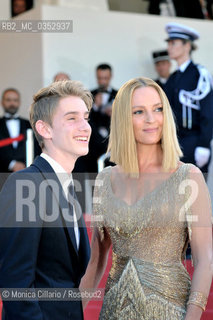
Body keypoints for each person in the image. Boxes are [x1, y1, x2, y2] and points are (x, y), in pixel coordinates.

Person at [80, 77, 213, 319]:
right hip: (114, 312)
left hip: (171, 312)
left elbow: (205, 261)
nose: (152, 119)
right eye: (139, 112)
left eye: (158, 109)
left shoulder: (189, 177)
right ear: (123, 119)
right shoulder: (104, 180)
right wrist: (71, 313)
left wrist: (192, 316)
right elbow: (96, 262)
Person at [0, 80, 92, 319]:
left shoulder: (68, 189)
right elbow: (16, 287)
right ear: (45, 129)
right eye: (72, 118)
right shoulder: (26, 185)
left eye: (86, 117)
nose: (85, 127)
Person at [164, 22, 213, 174]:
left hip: (194, 140)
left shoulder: (199, 74)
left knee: (194, 193)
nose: (169, 47)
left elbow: (208, 111)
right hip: (174, 143)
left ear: (187, 46)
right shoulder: (173, 78)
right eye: (169, 43)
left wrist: (204, 144)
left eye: (174, 43)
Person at [75, 64, 117, 173]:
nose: (102, 82)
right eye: (100, 78)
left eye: (105, 78)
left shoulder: (119, 95)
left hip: (112, 147)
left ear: (111, 76)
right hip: (92, 150)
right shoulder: (87, 95)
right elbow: (82, 119)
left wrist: (115, 114)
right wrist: (95, 107)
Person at [0, 88, 40, 173]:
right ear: (2, 102)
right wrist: (11, 164)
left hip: (26, 173)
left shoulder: (29, 124)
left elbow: (36, 148)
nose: (12, 103)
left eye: (15, 100)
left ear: (19, 102)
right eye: (8, 100)